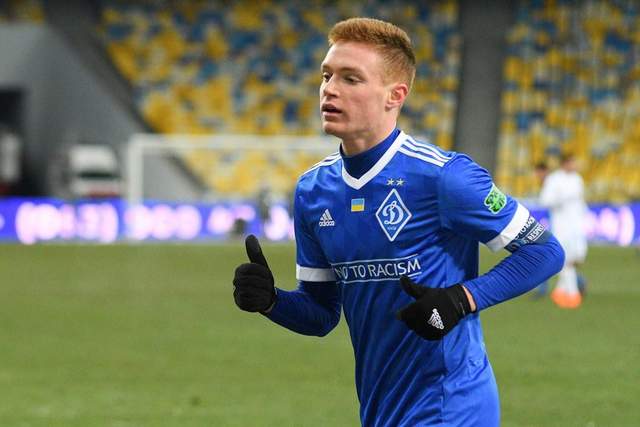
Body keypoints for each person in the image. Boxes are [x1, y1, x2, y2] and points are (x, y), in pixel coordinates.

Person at [232, 18, 564, 426]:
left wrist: (462, 299)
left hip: (451, 406)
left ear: (395, 95)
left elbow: (544, 251)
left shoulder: (445, 177)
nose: (330, 89)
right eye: (326, 75)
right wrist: (271, 301)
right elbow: (321, 314)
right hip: (381, 410)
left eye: (351, 78)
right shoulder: (313, 191)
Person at [539, 153, 588, 309]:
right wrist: (562, 198)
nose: (574, 165)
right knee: (566, 261)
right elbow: (545, 200)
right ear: (565, 163)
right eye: (572, 162)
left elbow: (580, 202)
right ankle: (573, 294)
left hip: (576, 228)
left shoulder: (577, 179)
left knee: (576, 259)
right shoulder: (554, 179)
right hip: (561, 227)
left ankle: (559, 292)